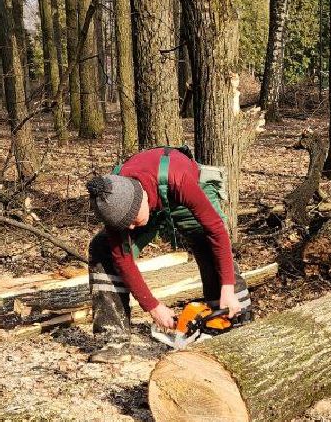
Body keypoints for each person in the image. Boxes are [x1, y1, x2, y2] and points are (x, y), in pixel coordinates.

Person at [85, 145, 249, 363]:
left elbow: (216, 229)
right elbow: (123, 261)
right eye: (127, 225)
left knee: (207, 243)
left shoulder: (179, 177)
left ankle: (237, 325)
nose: (132, 228)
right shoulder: (115, 202)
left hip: (182, 194)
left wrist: (226, 286)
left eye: (133, 221)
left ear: (141, 198)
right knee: (102, 249)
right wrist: (153, 307)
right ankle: (113, 339)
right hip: (150, 201)